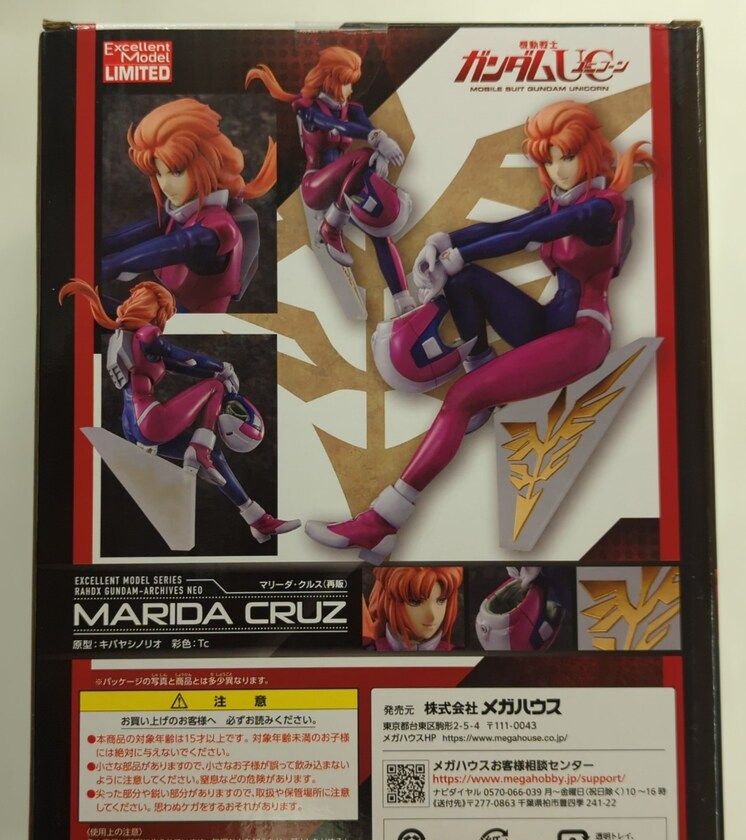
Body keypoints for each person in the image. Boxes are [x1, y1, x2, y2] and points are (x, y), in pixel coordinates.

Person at [306, 100, 653, 563]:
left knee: (461, 396)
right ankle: (481, 379)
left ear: (589, 152)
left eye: (566, 157)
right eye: (550, 159)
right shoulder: (560, 200)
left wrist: (460, 253)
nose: (557, 169)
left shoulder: (603, 206)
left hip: (583, 336)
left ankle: (382, 523)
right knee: (465, 282)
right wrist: (447, 241)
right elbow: (515, 225)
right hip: (550, 322)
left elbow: (533, 233)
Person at [60, 278, 299, 542]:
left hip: (133, 427)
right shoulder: (146, 334)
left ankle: (258, 520)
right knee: (215, 388)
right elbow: (183, 356)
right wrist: (221, 368)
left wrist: (217, 369)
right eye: (165, 311)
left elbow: (182, 365)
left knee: (216, 455)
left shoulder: (128, 337)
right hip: (150, 422)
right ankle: (199, 449)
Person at [246, 47, 413, 313]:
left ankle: (403, 300)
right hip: (316, 186)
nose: (350, 89)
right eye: (347, 82)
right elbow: (337, 127)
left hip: (347, 185)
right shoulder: (308, 109)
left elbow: (366, 127)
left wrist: (380, 147)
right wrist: (376, 141)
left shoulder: (352, 109)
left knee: (380, 230)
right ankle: (331, 228)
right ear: (332, 80)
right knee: (364, 154)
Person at [101, 98, 276, 313]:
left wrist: (114, 265)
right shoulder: (180, 215)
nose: (165, 186)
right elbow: (139, 232)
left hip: (194, 322)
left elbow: (181, 244)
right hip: (169, 311)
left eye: (176, 172)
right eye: (159, 174)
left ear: (208, 164)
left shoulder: (218, 227)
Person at [363, 566, 463, 651]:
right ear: (390, 601)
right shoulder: (369, 650)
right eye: (416, 602)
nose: (432, 616)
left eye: (441, 600)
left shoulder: (458, 654)